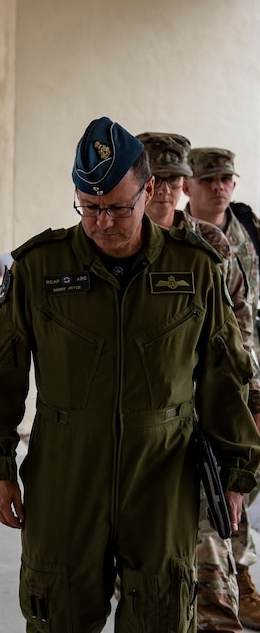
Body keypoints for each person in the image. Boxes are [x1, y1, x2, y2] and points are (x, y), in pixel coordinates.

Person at [0, 116, 260, 632]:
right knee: (58, 613)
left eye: (117, 208)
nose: (102, 222)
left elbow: (224, 374)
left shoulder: (195, 268)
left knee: (162, 615)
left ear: (149, 191)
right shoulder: (40, 268)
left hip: (162, 473)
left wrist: (239, 473)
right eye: (89, 207)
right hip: (65, 472)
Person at [139, 131, 260, 632]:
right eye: (157, 178)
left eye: (173, 178)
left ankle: (236, 585)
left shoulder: (211, 245)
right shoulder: (106, 241)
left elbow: (239, 331)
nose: (165, 189)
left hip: (200, 419)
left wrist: (250, 402)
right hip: (135, 428)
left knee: (215, 529)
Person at [184, 145, 260, 631]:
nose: (219, 187)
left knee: (233, 484)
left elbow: (246, 315)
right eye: (209, 180)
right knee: (209, 488)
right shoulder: (186, 238)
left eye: (226, 179)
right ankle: (215, 590)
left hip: (241, 373)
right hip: (195, 384)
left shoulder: (247, 229)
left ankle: (240, 576)